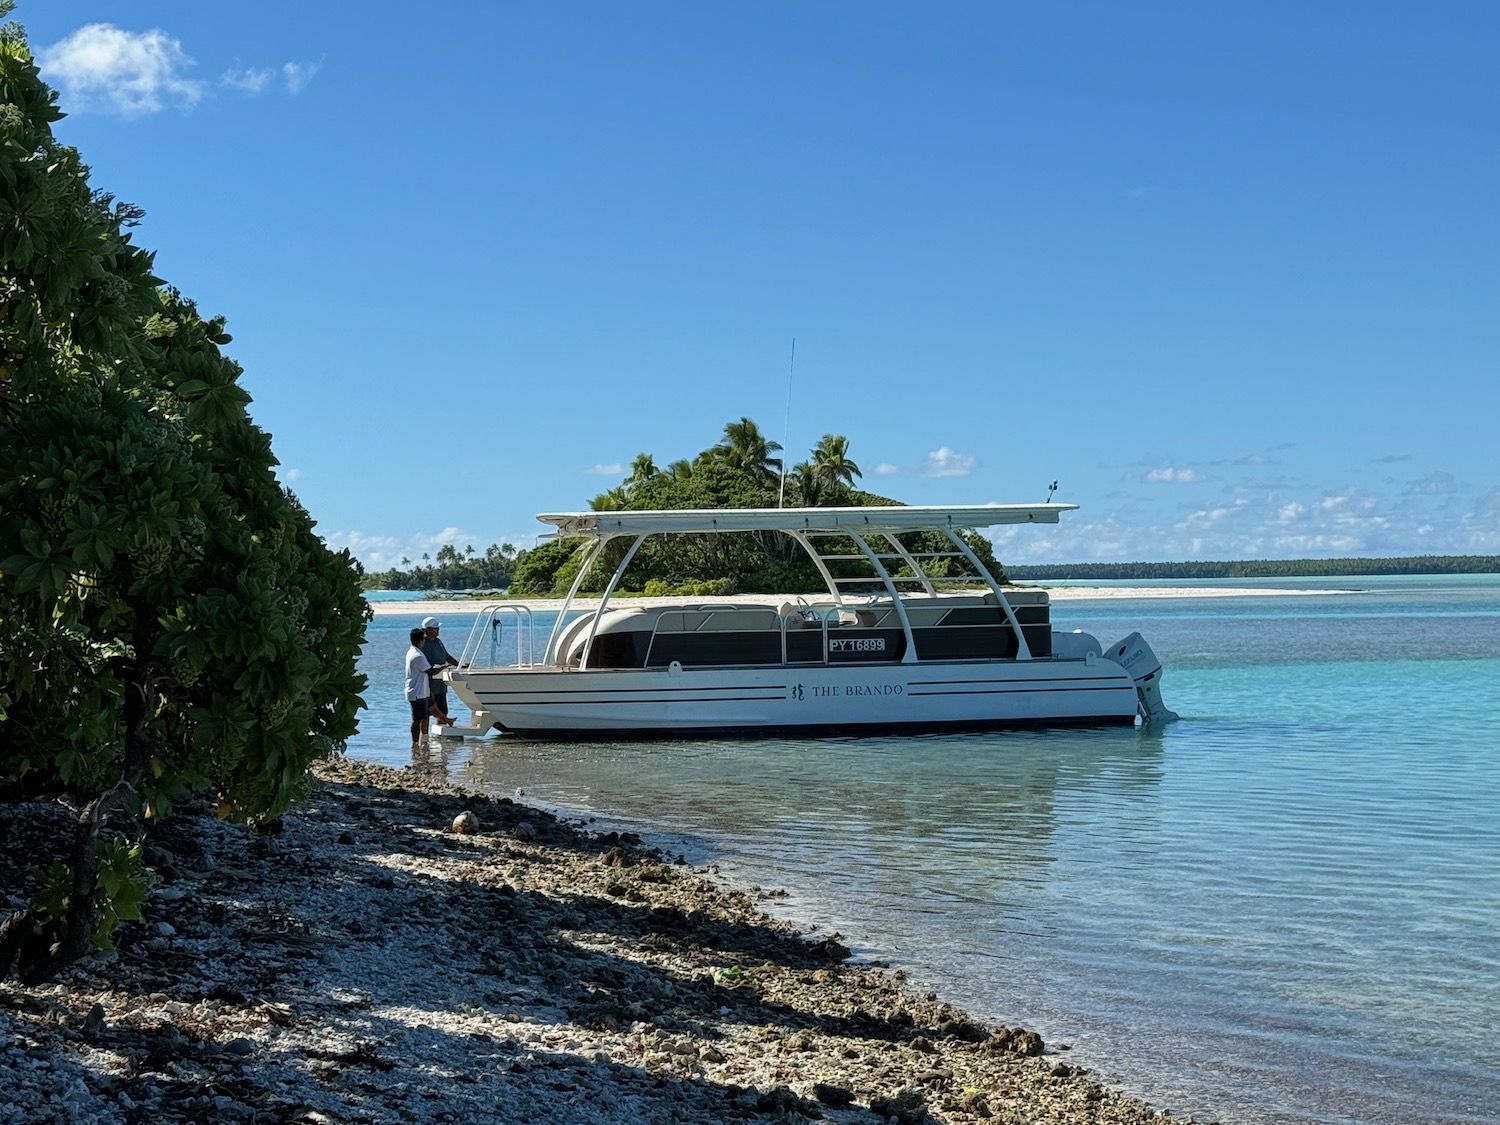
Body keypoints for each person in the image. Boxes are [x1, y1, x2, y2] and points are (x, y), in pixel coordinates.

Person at [420, 617, 460, 726]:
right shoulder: (423, 644)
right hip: (429, 684)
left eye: (438, 628)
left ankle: (442, 739)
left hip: (441, 684)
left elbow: (446, 656)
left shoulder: (438, 642)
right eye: (434, 628)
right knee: (427, 714)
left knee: (443, 711)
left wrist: (460, 664)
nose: (437, 630)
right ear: (427, 629)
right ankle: (423, 738)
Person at [404, 626, 433, 745]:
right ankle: (415, 743)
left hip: (421, 691)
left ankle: (422, 742)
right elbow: (430, 671)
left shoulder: (414, 652)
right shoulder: (417, 655)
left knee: (423, 717)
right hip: (416, 692)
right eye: (424, 639)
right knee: (417, 719)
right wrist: (444, 666)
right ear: (420, 640)